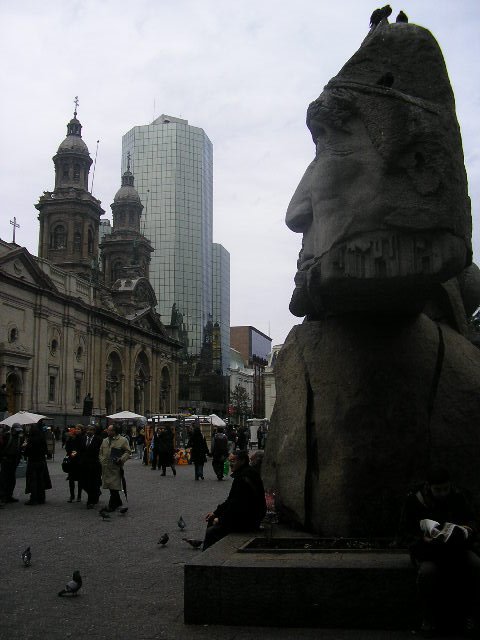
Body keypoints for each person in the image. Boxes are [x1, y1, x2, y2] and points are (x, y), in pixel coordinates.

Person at [403, 467, 480, 636]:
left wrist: (466, 530)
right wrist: (423, 539)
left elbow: (472, 521)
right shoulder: (415, 501)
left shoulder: (460, 496)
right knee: (428, 573)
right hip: (429, 552)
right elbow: (406, 532)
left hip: (457, 549)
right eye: (438, 490)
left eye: (446, 489)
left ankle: (471, 616)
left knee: (476, 565)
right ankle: (429, 618)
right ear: (428, 486)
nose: (443, 493)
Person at [203, 450, 267, 551]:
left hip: (248, 520)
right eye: (229, 461)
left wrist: (221, 520)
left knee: (211, 532)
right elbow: (231, 500)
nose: (230, 464)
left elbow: (237, 506)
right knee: (212, 520)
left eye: (233, 461)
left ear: (242, 461)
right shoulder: (245, 473)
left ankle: (207, 558)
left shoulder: (243, 478)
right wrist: (215, 513)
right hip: (249, 516)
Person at [99, 424, 131, 511]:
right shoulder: (104, 440)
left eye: (109, 430)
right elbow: (100, 452)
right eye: (107, 430)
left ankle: (112, 505)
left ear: (114, 431)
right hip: (105, 467)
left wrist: (121, 459)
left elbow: (128, 452)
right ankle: (118, 502)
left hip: (115, 467)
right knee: (110, 486)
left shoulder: (123, 440)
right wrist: (101, 460)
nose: (107, 431)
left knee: (114, 486)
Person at [23, 423, 52, 505]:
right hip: (42, 462)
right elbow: (46, 451)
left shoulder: (31, 439)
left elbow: (27, 453)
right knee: (41, 480)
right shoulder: (42, 438)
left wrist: (25, 446)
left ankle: (34, 499)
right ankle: (41, 498)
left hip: (33, 462)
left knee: (33, 480)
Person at [79, 425, 102, 509]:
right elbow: (79, 450)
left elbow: (101, 452)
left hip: (94, 465)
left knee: (92, 483)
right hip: (84, 465)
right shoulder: (83, 438)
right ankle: (97, 492)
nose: (89, 431)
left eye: (91, 430)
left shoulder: (98, 440)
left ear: (94, 431)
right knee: (83, 483)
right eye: (88, 429)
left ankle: (90, 501)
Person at [0, 423, 22, 503]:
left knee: (12, 480)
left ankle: (9, 495)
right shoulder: (6, 436)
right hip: (6, 460)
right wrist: (2, 457)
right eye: (17, 431)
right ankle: (2, 497)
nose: (18, 432)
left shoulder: (19, 438)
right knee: (3, 479)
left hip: (14, 461)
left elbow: (19, 450)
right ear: (12, 430)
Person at [64, 426, 85, 502]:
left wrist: (73, 453)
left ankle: (79, 496)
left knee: (80, 480)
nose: (77, 430)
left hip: (79, 462)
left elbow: (81, 448)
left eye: (79, 429)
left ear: (82, 430)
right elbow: (67, 447)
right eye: (76, 429)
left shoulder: (83, 438)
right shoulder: (71, 437)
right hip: (72, 462)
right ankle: (72, 496)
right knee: (71, 479)